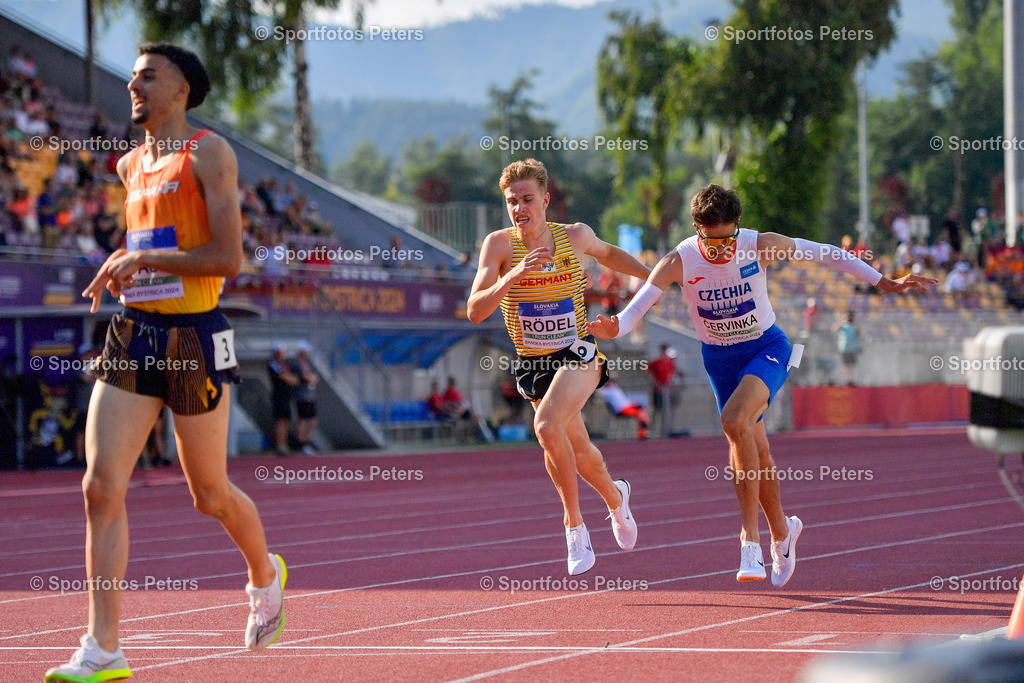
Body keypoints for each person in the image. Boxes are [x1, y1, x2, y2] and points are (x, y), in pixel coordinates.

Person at [47, 44, 286, 683]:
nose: (134, 85)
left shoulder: (210, 152)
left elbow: (229, 260)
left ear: (181, 91)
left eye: (148, 76)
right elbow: (151, 247)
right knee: (99, 486)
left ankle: (264, 573)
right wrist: (122, 267)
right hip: (135, 333)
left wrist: (145, 262)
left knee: (208, 494)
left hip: (197, 339)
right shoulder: (128, 164)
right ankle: (104, 649)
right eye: (132, 76)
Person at [589, 183, 936, 588]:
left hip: (768, 348)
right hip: (719, 359)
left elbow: (829, 254)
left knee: (735, 422)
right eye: (711, 243)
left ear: (739, 227)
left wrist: (884, 282)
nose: (720, 251)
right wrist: (615, 326)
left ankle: (748, 543)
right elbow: (637, 309)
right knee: (757, 448)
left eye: (727, 240)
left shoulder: (761, 246)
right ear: (697, 230)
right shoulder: (677, 261)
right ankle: (783, 535)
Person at [467, 158, 649, 575]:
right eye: (512, 201)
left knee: (546, 427)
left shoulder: (574, 236)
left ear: (545, 200)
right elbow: (476, 311)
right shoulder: (498, 246)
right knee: (580, 451)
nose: (520, 208)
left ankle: (573, 526)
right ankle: (617, 499)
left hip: (578, 352)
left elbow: (609, 254)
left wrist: (655, 278)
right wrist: (512, 275)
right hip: (533, 363)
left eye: (528, 199)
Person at [268, 342, 299, 456]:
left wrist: (290, 378)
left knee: (285, 421)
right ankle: (280, 445)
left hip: (286, 396)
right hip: (279, 396)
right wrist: (289, 378)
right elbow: (285, 377)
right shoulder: (274, 364)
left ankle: (284, 444)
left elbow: (294, 379)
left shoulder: (285, 364)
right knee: (281, 421)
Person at [647, 343, 682, 436]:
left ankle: (666, 428)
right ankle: (652, 429)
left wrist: (671, 381)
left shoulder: (670, 362)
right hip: (658, 390)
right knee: (656, 409)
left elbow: (672, 373)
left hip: (667, 390)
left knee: (667, 409)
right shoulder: (656, 362)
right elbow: (648, 372)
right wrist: (655, 382)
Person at [293, 340, 319, 455]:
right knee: (302, 420)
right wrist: (309, 378)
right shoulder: (296, 364)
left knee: (312, 420)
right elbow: (302, 378)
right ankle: (302, 444)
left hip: (310, 395)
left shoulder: (307, 363)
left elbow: (313, 377)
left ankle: (306, 441)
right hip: (302, 395)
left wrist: (311, 378)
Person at [832, 310, 861, 386]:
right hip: (845, 349)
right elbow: (835, 328)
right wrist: (841, 319)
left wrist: (854, 321)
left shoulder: (853, 326)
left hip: (853, 348)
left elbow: (858, 332)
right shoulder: (843, 325)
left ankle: (851, 379)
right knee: (846, 365)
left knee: (852, 365)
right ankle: (847, 379)